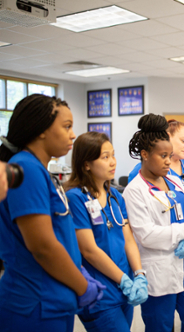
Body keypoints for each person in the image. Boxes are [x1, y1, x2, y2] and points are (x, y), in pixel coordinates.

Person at [0, 94, 104, 332]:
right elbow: (43, 246)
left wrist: (77, 270)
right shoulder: (26, 168)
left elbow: (59, 235)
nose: (73, 134)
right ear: (41, 130)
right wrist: (82, 286)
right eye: (66, 127)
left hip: (53, 299)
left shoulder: (39, 170)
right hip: (35, 302)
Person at [123, 114, 184, 332]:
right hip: (159, 273)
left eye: (169, 155)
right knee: (160, 327)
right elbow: (147, 236)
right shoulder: (134, 191)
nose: (168, 161)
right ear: (144, 155)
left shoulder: (175, 180)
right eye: (163, 156)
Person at [65, 132, 148, 331]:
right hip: (100, 290)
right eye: (105, 157)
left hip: (124, 286)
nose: (113, 162)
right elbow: (89, 250)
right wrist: (123, 279)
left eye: (113, 155)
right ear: (86, 164)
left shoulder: (116, 198)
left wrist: (139, 274)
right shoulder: (76, 198)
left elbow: (128, 239)